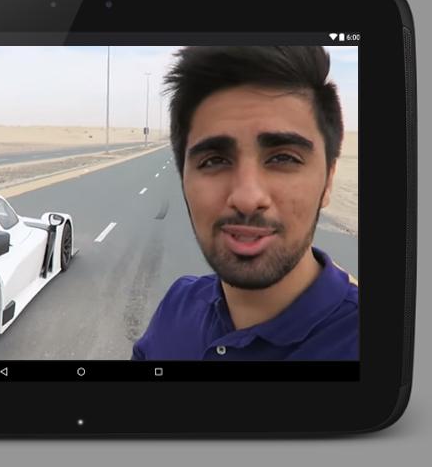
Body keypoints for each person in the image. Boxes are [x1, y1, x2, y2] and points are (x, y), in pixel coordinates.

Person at [132, 46, 358, 361]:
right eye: (214, 161)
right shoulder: (177, 307)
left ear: (328, 180)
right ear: (183, 179)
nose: (248, 199)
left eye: (283, 158)